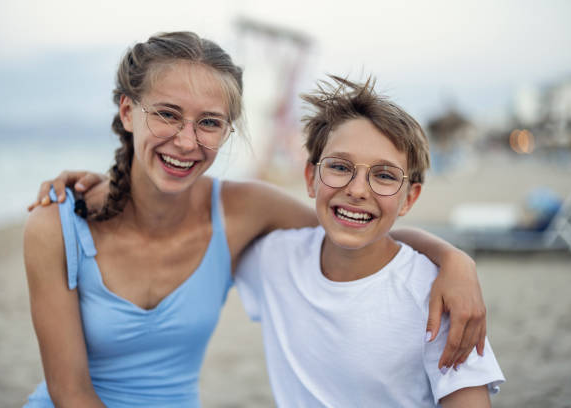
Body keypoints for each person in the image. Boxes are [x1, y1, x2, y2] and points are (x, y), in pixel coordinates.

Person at [24, 32, 486, 407]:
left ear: (227, 130)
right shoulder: (54, 226)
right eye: (167, 114)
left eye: (209, 123)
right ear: (128, 111)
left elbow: (352, 224)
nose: (187, 141)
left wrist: (452, 259)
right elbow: (70, 392)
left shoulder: (243, 211)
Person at [235, 76, 504, 407]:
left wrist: (453, 260)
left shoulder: (437, 296)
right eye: (339, 166)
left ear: (409, 198)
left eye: (385, 175)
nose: (358, 190)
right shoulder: (274, 259)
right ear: (310, 177)